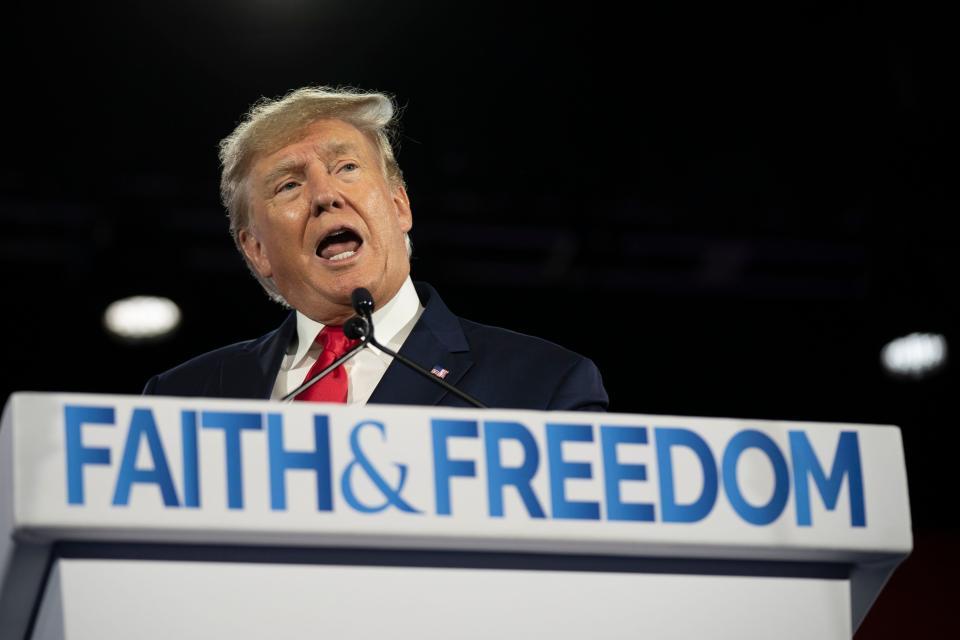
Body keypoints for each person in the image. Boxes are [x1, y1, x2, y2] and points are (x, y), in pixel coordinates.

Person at [143, 86, 608, 411]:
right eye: (288, 185)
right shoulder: (183, 399)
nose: (325, 196)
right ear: (257, 251)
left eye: (346, 166)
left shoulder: (541, 387)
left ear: (399, 204)